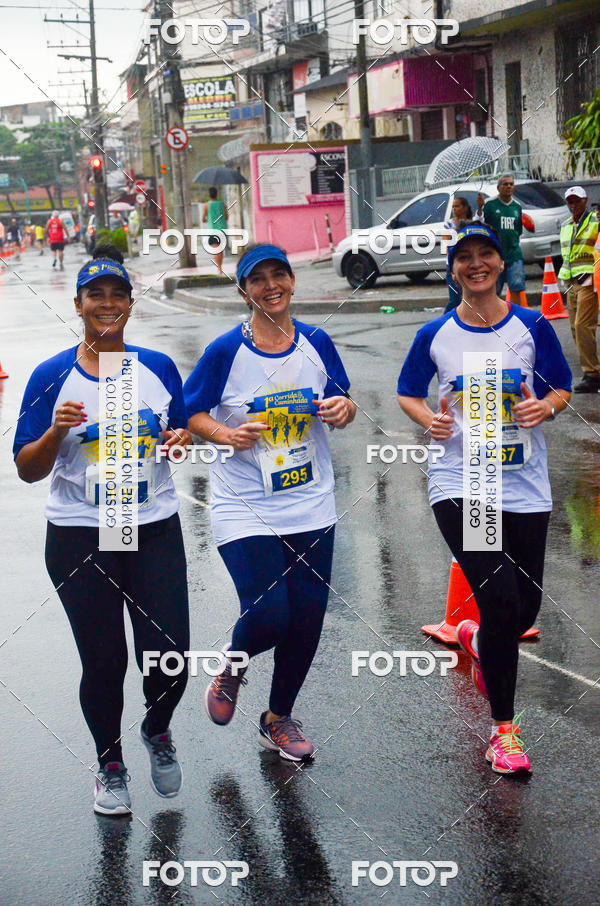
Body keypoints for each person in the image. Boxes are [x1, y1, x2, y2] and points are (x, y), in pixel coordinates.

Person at [13, 244, 191, 816]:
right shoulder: (50, 376)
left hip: (151, 526)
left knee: (169, 655)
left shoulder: (157, 368)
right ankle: (109, 763)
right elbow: (27, 469)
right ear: (79, 303)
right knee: (105, 658)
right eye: (96, 295)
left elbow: (179, 431)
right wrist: (55, 434)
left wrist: (181, 439)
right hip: (79, 534)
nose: (107, 303)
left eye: (117, 294)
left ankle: (156, 729)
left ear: (130, 305)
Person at [397, 222, 571, 776]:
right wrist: (431, 419)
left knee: (523, 611)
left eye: (485, 255)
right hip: (464, 482)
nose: (475, 264)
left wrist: (546, 407)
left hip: (525, 485)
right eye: (464, 257)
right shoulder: (436, 335)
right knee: (500, 603)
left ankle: (473, 636)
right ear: (453, 269)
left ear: (501, 264)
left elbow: (561, 386)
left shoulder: (532, 326)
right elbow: (408, 392)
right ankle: (504, 732)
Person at [184, 243, 356, 762]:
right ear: (244, 291)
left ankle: (277, 719)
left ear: (292, 282)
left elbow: (344, 399)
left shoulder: (317, 342)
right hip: (244, 503)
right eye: (257, 280)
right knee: (269, 614)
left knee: (308, 614)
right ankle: (233, 666)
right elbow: (191, 413)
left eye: (278, 275)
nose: (270, 286)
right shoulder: (224, 352)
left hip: (309, 500)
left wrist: (343, 409)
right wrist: (225, 434)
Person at [558, 186, 600, 393]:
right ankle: (592, 369)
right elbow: (567, 255)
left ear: (585, 200)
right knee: (576, 329)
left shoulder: (595, 222)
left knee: (583, 325)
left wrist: (594, 274)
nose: (574, 205)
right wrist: (562, 281)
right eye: (570, 202)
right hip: (571, 282)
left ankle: (592, 374)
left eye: (577, 201)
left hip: (589, 281)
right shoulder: (566, 225)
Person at [483, 175, 527, 306]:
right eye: (505, 184)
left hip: (514, 254)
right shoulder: (490, 205)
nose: (509, 186)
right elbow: (481, 224)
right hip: (495, 255)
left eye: (511, 184)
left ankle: (515, 315)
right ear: (498, 187)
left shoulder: (517, 207)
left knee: (517, 286)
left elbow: (518, 230)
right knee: (494, 289)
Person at [443, 195, 484, 312]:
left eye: (457, 206)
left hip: (469, 264)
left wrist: (480, 206)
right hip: (452, 265)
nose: (454, 209)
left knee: (469, 296)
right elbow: (447, 244)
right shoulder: (449, 224)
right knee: (454, 298)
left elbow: (480, 219)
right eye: (453, 207)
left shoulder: (471, 223)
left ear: (465, 208)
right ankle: (445, 321)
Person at [202, 186, 228, 274]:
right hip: (222, 230)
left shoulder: (207, 205)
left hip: (213, 230)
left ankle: (219, 268)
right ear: (217, 194)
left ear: (209, 195)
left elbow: (203, 219)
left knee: (216, 250)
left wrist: (208, 219)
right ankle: (220, 267)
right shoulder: (222, 204)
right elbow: (227, 217)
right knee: (221, 250)